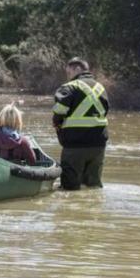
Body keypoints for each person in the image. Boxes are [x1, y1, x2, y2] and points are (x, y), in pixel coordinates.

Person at [52, 57, 109, 190]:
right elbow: (105, 111)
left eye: (69, 72)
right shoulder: (100, 88)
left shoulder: (69, 87)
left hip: (75, 144)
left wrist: (58, 125)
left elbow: (58, 112)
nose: (68, 76)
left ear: (77, 69)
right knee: (93, 186)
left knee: (69, 187)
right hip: (98, 144)